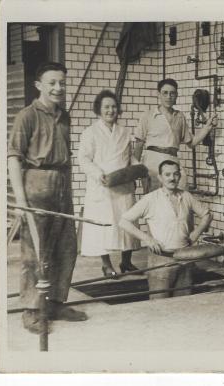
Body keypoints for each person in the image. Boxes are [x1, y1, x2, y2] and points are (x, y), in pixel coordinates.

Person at [8, 62, 87, 334]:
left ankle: (54, 302)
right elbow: (13, 158)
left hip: (62, 185)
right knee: (35, 252)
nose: (58, 88)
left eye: (62, 82)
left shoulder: (64, 116)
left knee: (66, 247)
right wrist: (20, 199)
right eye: (52, 82)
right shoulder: (27, 115)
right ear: (39, 85)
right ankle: (32, 310)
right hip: (37, 184)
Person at [119, 160, 212, 299]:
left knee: (183, 303)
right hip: (161, 260)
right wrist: (147, 239)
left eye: (175, 174)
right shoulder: (151, 199)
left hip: (185, 259)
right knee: (159, 305)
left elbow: (207, 214)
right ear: (160, 177)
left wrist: (195, 234)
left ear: (180, 176)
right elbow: (124, 221)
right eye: (167, 174)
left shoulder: (186, 196)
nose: (172, 178)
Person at [78, 90, 141, 278]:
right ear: (98, 109)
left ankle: (126, 261)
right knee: (103, 225)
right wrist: (99, 175)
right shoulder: (90, 132)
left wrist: (140, 169)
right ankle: (106, 265)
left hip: (123, 185)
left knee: (127, 221)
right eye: (106, 106)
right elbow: (84, 159)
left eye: (114, 106)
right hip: (102, 186)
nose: (110, 110)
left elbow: (130, 157)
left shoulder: (124, 132)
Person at [133, 78, 217, 193]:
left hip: (173, 162)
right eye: (165, 93)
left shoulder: (179, 117)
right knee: (155, 203)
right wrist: (132, 173)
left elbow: (191, 143)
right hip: (152, 164)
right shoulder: (148, 116)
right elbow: (138, 146)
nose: (169, 97)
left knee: (180, 198)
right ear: (159, 94)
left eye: (172, 93)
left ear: (176, 95)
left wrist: (208, 126)